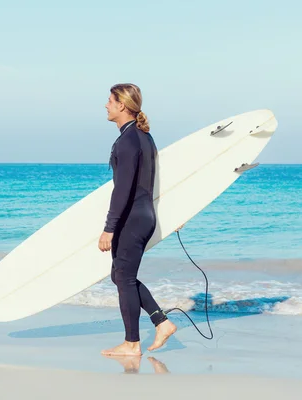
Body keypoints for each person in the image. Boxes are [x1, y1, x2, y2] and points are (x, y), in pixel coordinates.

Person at [98, 83, 177, 356]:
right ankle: (161, 322)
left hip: (132, 218)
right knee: (121, 277)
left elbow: (124, 189)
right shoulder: (144, 136)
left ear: (122, 105)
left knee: (124, 278)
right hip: (143, 215)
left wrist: (109, 228)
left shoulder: (129, 140)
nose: (106, 105)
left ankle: (132, 344)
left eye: (109, 100)